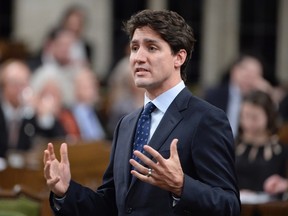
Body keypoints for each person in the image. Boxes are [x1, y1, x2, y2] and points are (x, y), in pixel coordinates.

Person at [43, 9, 240, 215]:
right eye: (135, 48)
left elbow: (229, 206)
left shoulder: (207, 119)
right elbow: (111, 205)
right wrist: (66, 191)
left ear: (179, 57)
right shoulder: (126, 124)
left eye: (152, 48)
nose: (138, 57)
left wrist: (181, 185)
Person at [235, 90, 288, 202]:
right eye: (244, 116)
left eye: (254, 118)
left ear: (268, 116)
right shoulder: (233, 146)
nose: (248, 123)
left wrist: (283, 184)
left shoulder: (280, 150)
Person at [204, 54, 272, 137]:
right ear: (234, 71)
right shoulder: (213, 95)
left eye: (255, 76)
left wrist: (268, 95)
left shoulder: (260, 99)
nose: (250, 79)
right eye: (247, 74)